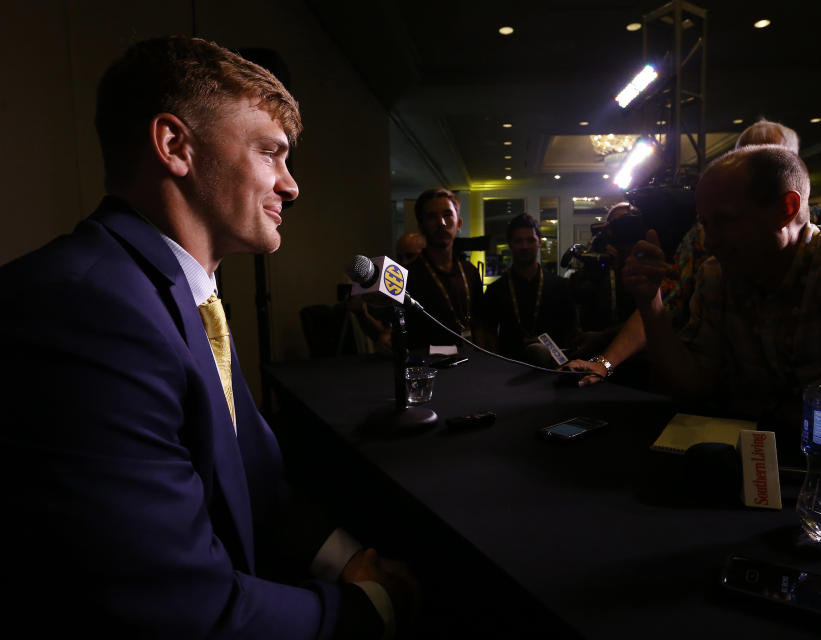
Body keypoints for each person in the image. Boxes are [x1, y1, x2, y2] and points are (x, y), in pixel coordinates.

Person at [0, 36, 417, 637]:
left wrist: (348, 558)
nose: (291, 185)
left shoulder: (175, 289)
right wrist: (376, 608)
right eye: (270, 153)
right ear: (175, 146)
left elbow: (252, 475)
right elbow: (184, 611)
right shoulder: (86, 309)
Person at [623, 145, 821, 462]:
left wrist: (767, 412)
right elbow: (693, 384)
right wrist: (650, 302)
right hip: (781, 465)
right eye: (706, 223)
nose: (710, 241)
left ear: (787, 209)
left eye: (726, 220)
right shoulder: (717, 275)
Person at [568, 118, 821, 383]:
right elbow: (667, 302)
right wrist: (606, 361)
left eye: (772, 156)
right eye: (750, 155)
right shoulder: (708, 257)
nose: (714, 240)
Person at [482, 214, 576, 364]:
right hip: (508, 369)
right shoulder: (495, 290)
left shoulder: (561, 286)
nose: (524, 246)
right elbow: (489, 339)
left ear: (539, 242)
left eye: (530, 240)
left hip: (554, 369)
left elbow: (571, 334)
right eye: (518, 241)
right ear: (510, 244)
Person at [405, 188, 484, 349]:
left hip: (471, 364)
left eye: (447, 215)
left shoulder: (470, 272)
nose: (441, 223)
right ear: (421, 225)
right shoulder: (408, 275)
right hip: (429, 367)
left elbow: (480, 324)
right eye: (432, 216)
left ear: (459, 223)